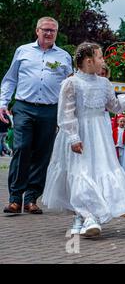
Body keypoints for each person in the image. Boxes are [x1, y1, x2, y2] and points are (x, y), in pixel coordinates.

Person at [42, 42, 125, 237]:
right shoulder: (71, 83)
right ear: (89, 61)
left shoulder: (104, 83)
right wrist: (73, 137)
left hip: (100, 135)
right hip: (79, 133)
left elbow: (114, 106)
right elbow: (66, 113)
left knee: (97, 171)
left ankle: (87, 216)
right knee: (80, 172)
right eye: (100, 57)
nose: (103, 61)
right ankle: (86, 216)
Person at [1, 17, 73, 214]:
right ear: (37, 31)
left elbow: (70, 86)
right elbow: (10, 79)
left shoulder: (64, 56)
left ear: (56, 33)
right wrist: (3, 103)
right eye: (45, 30)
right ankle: (15, 198)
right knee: (22, 148)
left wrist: (69, 113)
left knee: (42, 154)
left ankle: (31, 198)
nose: (49, 33)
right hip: (24, 106)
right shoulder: (23, 51)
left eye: (53, 31)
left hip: (50, 110)